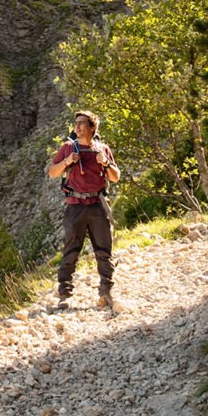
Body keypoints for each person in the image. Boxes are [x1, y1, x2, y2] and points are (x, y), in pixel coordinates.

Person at [46, 110, 120, 310]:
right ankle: (65, 293)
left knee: (104, 250)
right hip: (75, 205)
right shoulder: (68, 148)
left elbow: (115, 177)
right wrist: (67, 161)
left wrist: (106, 163)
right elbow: (52, 173)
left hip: (97, 203)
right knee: (71, 250)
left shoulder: (102, 149)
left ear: (92, 127)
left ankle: (106, 291)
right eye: (76, 123)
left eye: (81, 124)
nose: (76, 127)